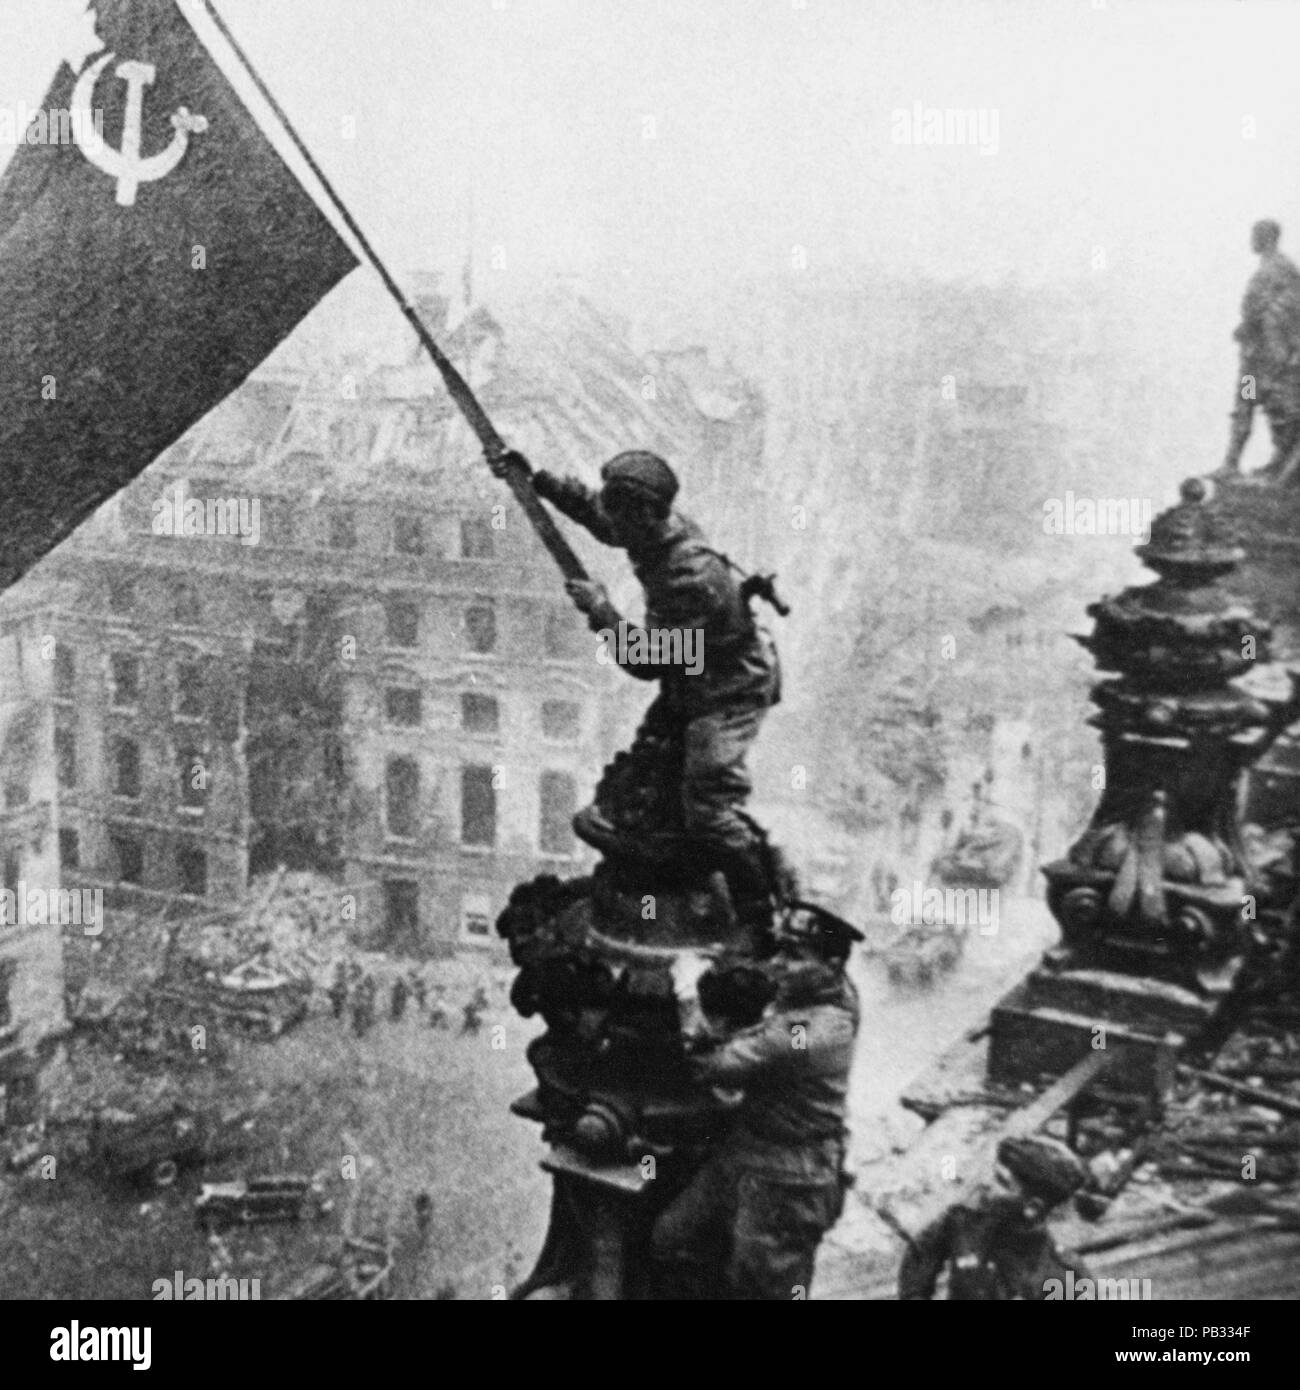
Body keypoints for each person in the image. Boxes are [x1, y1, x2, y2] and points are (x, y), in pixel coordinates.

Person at [486, 444, 782, 930]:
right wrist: (536, 479)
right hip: (693, 670)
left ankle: (758, 908)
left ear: (645, 514)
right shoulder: (651, 527)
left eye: (622, 517)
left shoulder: (688, 576)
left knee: (707, 804)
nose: (614, 528)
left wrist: (600, 611)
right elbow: (601, 519)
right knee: (651, 764)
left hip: (728, 689)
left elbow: (648, 660)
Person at [649, 903, 862, 1299]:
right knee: (669, 1237)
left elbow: (710, 1064)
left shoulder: (807, 1033)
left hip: (786, 1178)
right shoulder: (835, 990)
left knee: (762, 1285)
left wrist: (686, 990)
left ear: (832, 965)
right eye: (781, 951)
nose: (780, 964)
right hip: (751, 1148)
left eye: (795, 957)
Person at [897, 1134, 1093, 1300]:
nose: (987, 1184)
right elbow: (919, 1254)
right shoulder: (963, 1222)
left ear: (1032, 1207)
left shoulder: (1067, 1276)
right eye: (993, 1175)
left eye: (1001, 1182)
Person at [1222, 219, 1300, 480]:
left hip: (1271, 358)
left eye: (1255, 235)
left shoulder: (1281, 268)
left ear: (1267, 237)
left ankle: (1281, 462)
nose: (1251, 240)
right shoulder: (1269, 267)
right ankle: (1231, 462)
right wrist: (1246, 327)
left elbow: (1283, 310)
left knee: (1280, 410)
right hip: (1254, 358)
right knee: (1245, 402)